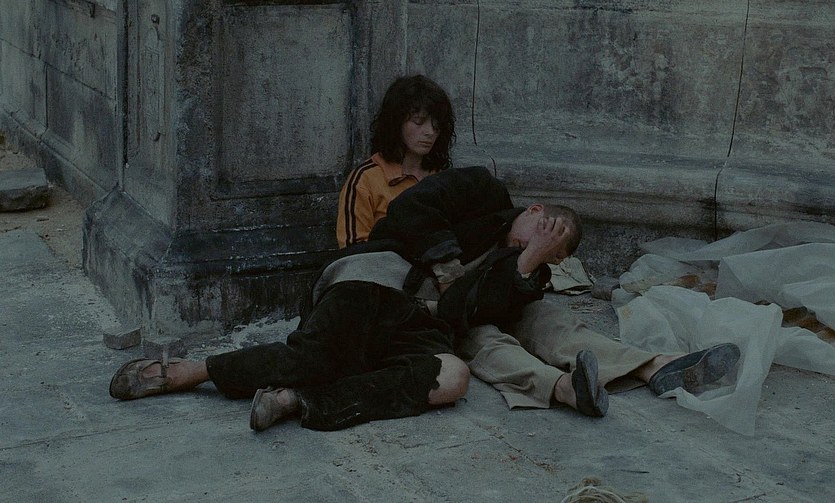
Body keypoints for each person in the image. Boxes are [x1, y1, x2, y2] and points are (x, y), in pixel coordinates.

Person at [369, 165, 741, 417]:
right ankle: (563, 388)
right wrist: (448, 267)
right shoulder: (482, 189)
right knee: (485, 341)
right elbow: (412, 206)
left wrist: (529, 261)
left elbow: (486, 307)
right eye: (545, 234)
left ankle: (651, 366)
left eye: (552, 252)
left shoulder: (532, 263)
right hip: (414, 296)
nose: (542, 248)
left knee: (546, 317)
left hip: (466, 309)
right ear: (534, 210)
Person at [109, 276, 471, 432]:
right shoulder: (472, 196)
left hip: (424, 335)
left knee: (454, 377)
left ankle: (296, 399)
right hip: (377, 295)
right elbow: (408, 216)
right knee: (315, 358)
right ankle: (193, 371)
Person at [336, 74, 456, 248]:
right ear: (396, 122)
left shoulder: (441, 176)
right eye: (419, 121)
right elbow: (352, 252)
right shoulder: (364, 180)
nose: (430, 131)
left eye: (436, 124)